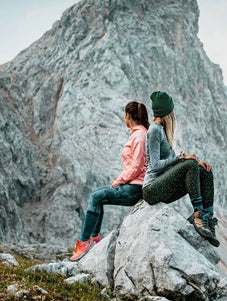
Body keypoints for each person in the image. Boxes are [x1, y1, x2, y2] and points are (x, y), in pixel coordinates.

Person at [71, 101, 150, 260]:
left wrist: (120, 180)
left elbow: (137, 165)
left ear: (128, 116)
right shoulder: (138, 134)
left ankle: (85, 242)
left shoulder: (140, 136)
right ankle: (94, 239)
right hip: (133, 185)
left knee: (95, 197)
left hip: (136, 188)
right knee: (97, 196)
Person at [142, 91, 219, 247]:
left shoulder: (162, 130)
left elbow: (171, 165)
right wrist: (182, 158)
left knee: (204, 171)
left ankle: (207, 216)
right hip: (151, 189)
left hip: (163, 185)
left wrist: (195, 163)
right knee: (190, 165)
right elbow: (155, 165)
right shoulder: (154, 130)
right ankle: (197, 214)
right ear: (167, 112)